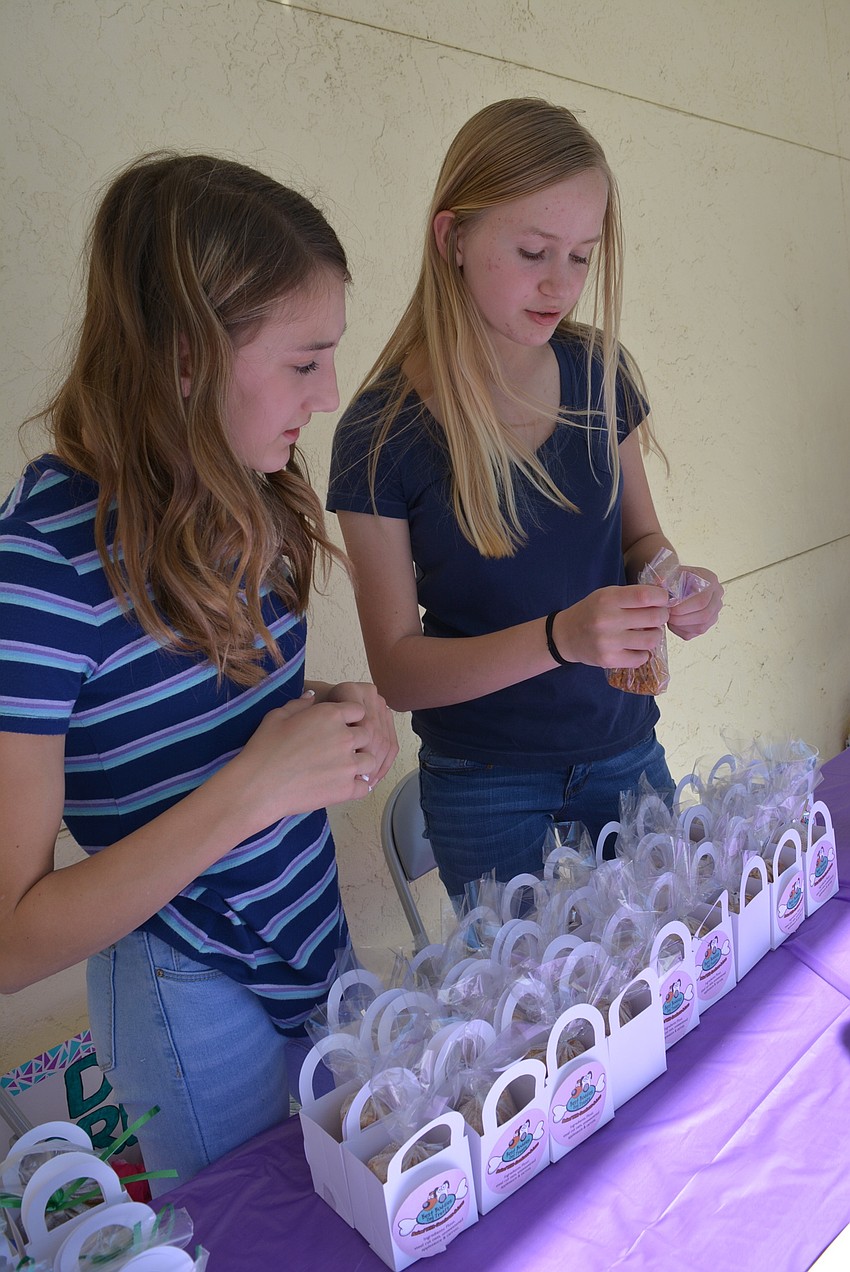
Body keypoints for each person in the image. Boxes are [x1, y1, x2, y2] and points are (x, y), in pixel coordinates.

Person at [0, 152, 397, 1190]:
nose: (331, 391)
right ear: (184, 358)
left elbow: (190, 721)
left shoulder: (250, 489)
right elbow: (10, 941)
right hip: (189, 988)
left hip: (315, 936)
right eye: (305, 360)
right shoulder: (38, 570)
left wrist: (324, 723)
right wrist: (256, 787)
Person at [327, 98, 722, 901]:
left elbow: (643, 539)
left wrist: (676, 581)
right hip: (483, 779)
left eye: (581, 256)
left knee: (678, 955)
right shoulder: (380, 433)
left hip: (624, 747)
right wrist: (561, 637)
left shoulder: (598, 373)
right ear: (454, 240)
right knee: (529, 1013)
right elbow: (399, 673)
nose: (561, 284)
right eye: (534, 250)